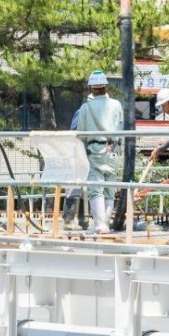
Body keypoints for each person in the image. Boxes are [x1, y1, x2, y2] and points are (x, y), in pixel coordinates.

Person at [70, 71, 124, 234]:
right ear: (106, 87)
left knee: (95, 190)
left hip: (94, 151)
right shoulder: (117, 105)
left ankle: (100, 226)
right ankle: (105, 225)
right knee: (109, 190)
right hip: (113, 151)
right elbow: (120, 130)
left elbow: (80, 134)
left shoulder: (86, 108)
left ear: (91, 89)